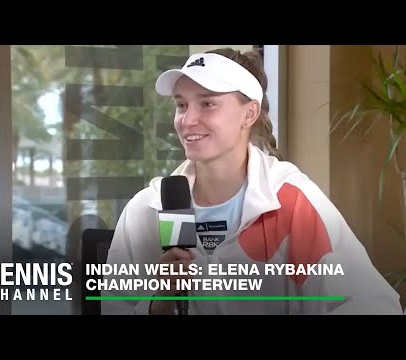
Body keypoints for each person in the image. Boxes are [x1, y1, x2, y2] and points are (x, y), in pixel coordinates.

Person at [100, 47, 404, 315]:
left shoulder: (290, 202)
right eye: (181, 104)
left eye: (207, 103)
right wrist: (159, 304)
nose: (187, 120)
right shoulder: (146, 212)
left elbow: (373, 305)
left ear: (249, 113)